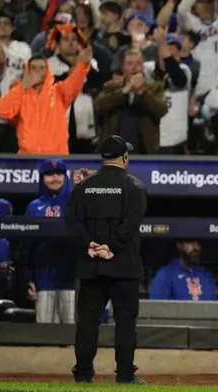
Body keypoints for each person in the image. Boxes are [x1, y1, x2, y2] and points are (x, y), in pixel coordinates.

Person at [66, 135, 147, 384]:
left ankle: (82, 375)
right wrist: (111, 247)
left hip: (91, 265)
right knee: (125, 323)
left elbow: (71, 221)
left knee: (88, 323)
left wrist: (89, 245)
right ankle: (124, 376)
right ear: (124, 158)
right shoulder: (134, 186)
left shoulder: (83, 186)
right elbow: (131, 225)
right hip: (123, 265)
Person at [23, 158, 75, 324]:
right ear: (42, 178)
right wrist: (27, 278)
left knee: (72, 334)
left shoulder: (75, 203)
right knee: (44, 335)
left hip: (71, 279)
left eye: (59, 173)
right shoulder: (33, 207)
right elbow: (26, 246)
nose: (54, 178)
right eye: (49, 174)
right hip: (43, 279)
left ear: (65, 176)